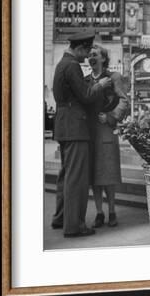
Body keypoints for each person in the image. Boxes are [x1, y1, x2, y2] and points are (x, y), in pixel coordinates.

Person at [51, 29, 112, 237]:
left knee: (66, 176)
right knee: (77, 179)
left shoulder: (61, 64)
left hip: (63, 125)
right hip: (76, 127)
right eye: (85, 52)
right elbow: (86, 96)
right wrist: (100, 84)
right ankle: (74, 226)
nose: (87, 57)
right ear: (78, 48)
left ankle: (61, 218)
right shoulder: (72, 66)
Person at [86, 45, 129, 228]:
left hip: (106, 131)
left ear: (103, 59)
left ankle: (112, 211)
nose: (91, 58)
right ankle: (99, 213)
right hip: (89, 133)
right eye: (89, 55)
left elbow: (124, 100)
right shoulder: (85, 80)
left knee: (108, 175)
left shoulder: (114, 78)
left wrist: (111, 117)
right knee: (94, 176)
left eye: (95, 55)